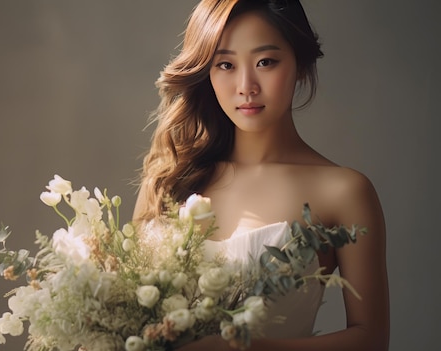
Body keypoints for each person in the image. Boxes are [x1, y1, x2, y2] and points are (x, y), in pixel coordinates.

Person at [132, 0, 390, 350]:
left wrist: (239, 348)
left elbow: (370, 339)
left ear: (299, 64)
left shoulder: (343, 192)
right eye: (225, 64)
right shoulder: (167, 178)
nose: (246, 86)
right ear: (207, 72)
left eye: (265, 62)